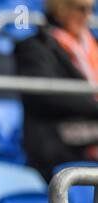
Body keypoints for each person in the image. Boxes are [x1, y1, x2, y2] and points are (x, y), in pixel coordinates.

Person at [14, 0, 98, 181]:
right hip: (58, 150)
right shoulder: (35, 47)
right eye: (80, 9)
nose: (87, 16)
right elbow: (48, 96)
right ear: (61, 8)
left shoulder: (92, 46)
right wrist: (94, 106)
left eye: (91, 9)